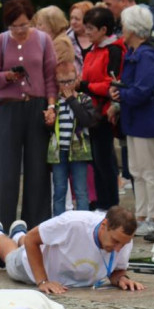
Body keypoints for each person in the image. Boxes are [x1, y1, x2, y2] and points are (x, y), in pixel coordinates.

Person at [0, 0, 58, 230]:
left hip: (36, 107)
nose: (19, 30)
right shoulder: (1, 41)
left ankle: (36, 225)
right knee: (6, 170)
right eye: (15, 26)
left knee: (37, 169)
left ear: (31, 21)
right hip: (9, 107)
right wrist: (7, 76)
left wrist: (51, 106)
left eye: (24, 24)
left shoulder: (43, 40)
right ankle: (5, 225)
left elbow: (50, 77)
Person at [0, 207, 143, 294]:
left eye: (124, 244)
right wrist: (42, 281)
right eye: (115, 241)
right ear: (104, 225)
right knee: (12, 259)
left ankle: (18, 232)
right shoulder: (73, 223)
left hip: (69, 274)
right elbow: (32, 239)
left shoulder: (124, 240)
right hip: (35, 266)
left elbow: (117, 270)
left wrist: (121, 278)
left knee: (28, 237)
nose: (119, 248)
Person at [112, 5, 154, 237]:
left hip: (146, 120)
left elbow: (143, 90)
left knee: (149, 171)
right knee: (136, 170)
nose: (122, 28)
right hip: (136, 119)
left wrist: (121, 95)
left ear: (133, 29)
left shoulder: (146, 55)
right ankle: (142, 214)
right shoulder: (138, 53)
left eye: (125, 25)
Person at [80, 6, 126, 214]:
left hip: (105, 113)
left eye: (91, 28)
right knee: (97, 160)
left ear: (103, 29)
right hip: (92, 110)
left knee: (105, 160)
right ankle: (102, 201)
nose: (87, 33)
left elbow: (111, 84)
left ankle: (110, 203)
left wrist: (86, 87)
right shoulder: (94, 49)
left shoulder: (113, 50)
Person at [47, 62, 98, 216]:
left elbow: (87, 120)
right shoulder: (54, 102)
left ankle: (83, 221)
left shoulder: (83, 99)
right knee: (59, 189)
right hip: (58, 153)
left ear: (77, 80)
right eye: (63, 82)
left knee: (81, 190)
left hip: (79, 152)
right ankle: (59, 222)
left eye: (70, 81)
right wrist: (48, 120)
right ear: (57, 82)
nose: (67, 85)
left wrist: (71, 100)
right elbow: (49, 128)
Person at [67, 1, 95, 71]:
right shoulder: (65, 40)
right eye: (71, 18)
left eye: (77, 19)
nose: (73, 22)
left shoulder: (99, 40)